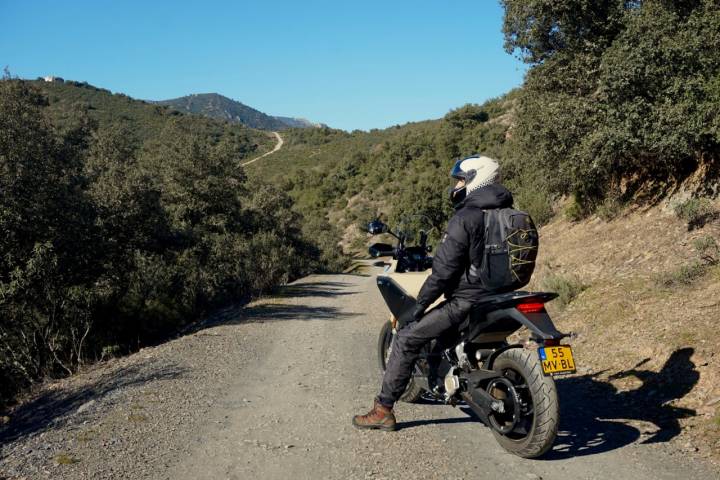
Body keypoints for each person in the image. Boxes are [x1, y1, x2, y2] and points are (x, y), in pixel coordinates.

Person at [352, 154, 514, 431]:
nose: (457, 185)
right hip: (502, 297)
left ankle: (383, 410)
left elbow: (442, 274)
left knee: (405, 338)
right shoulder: (509, 214)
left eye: (461, 179)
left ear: (476, 179)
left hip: (466, 301)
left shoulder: (466, 217)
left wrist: (417, 308)